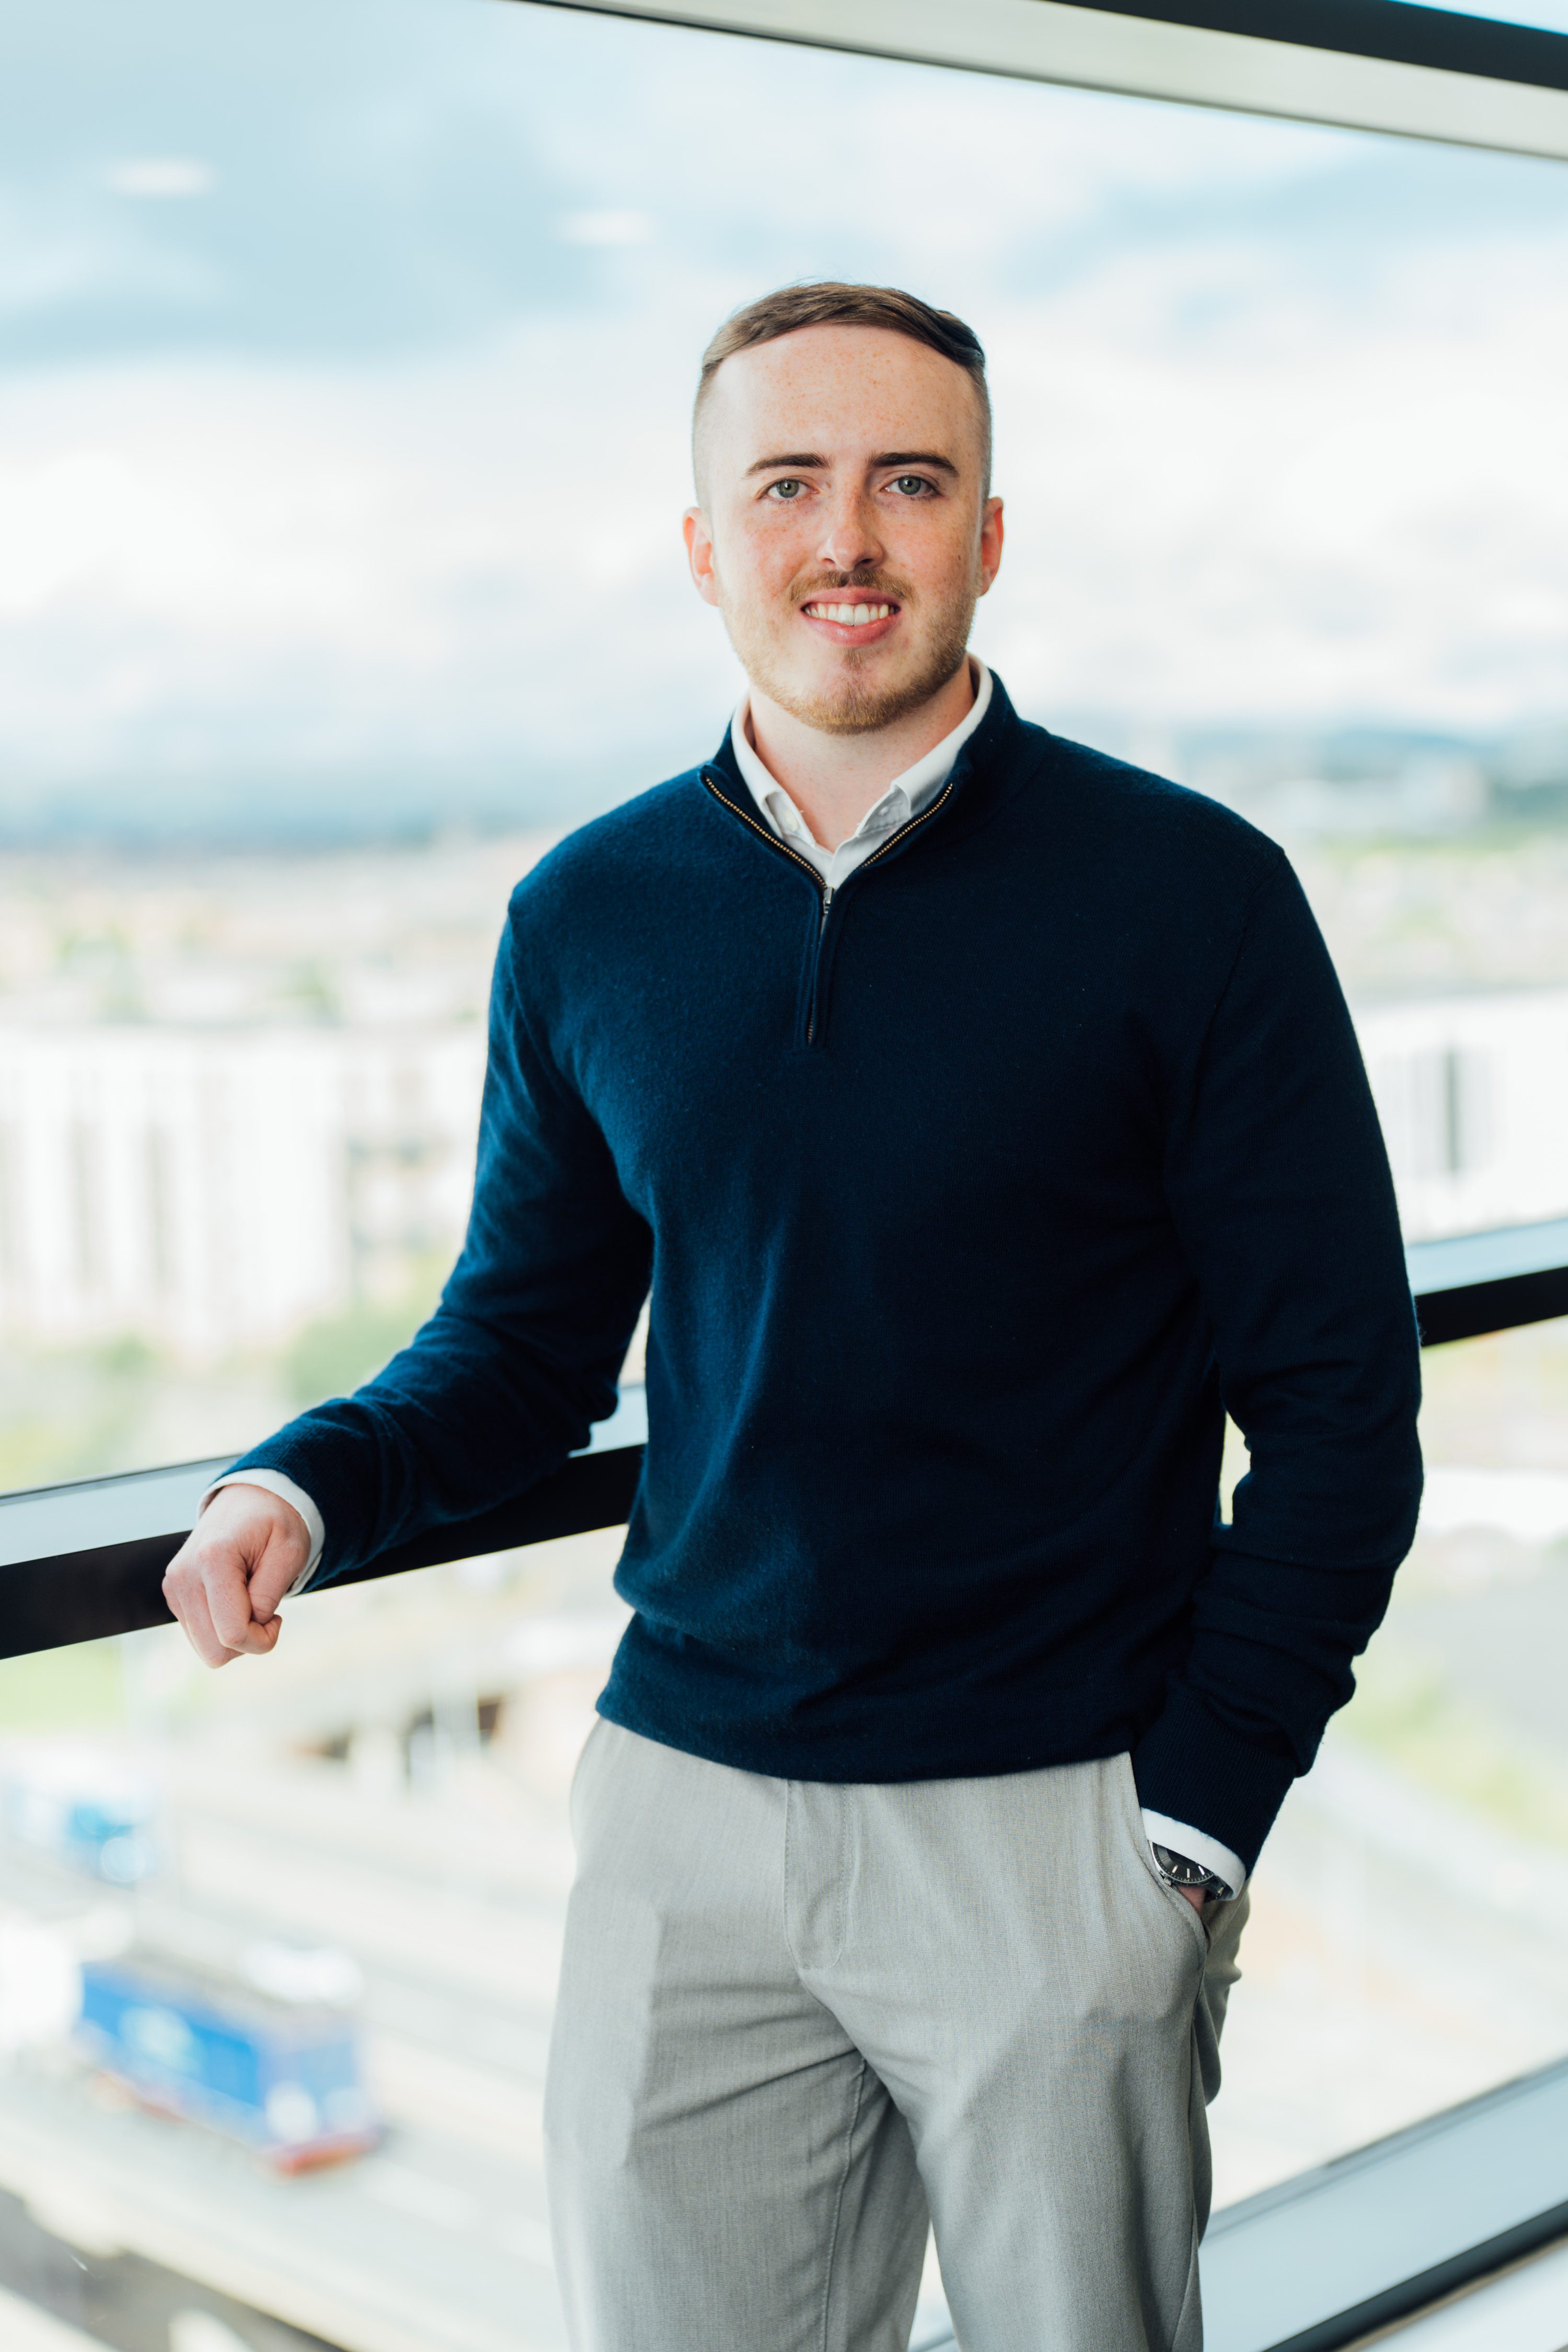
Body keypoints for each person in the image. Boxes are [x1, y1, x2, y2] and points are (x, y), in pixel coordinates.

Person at [163, 282, 1423, 2352]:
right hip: (687, 1818)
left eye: (910, 482)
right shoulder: (587, 915)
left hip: (1064, 1814)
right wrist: (308, 1479)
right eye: (790, 485)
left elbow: (1341, 1413)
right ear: (705, 545)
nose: (850, 537)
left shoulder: (1195, 897)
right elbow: (524, 1339)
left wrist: (1191, 1834)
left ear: (990, 534)